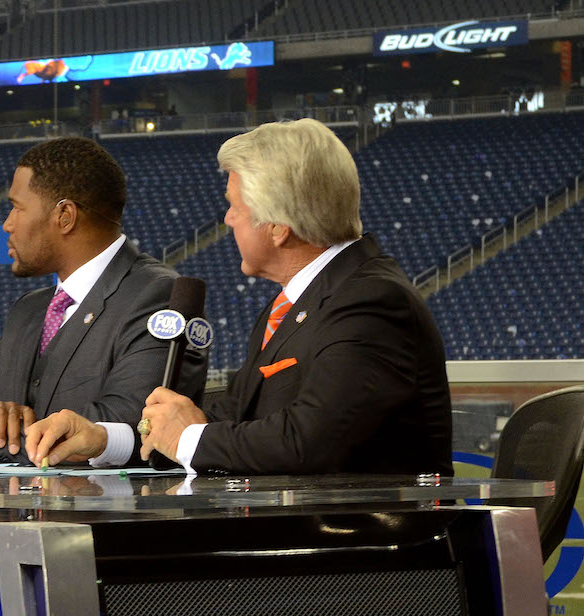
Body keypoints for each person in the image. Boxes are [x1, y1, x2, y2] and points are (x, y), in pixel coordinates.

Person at [27, 118, 452, 476]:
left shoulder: (370, 301)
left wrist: (186, 438)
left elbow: (311, 440)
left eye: (234, 206)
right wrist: (105, 437)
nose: (227, 219)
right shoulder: (299, 300)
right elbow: (236, 411)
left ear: (278, 226)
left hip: (373, 561)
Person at [0, 136, 204, 465]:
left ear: (64, 215)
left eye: (17, 207)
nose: (7, 224)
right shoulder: (29, 310)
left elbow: (131, 422)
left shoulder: (158, 295)